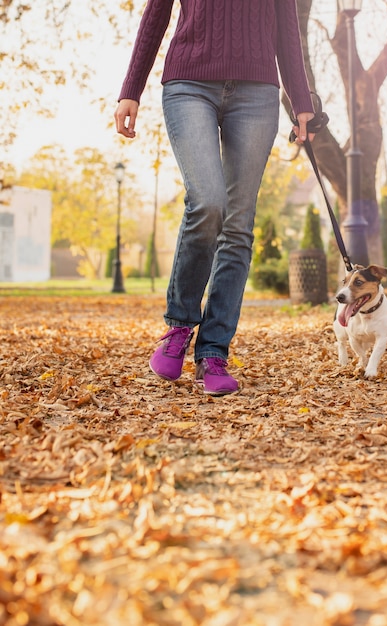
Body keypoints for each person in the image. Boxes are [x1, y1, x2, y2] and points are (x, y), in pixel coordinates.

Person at [114, 0, 315, 396]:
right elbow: (156, 14)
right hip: (189, 84)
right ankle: (180, 325)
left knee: (238, 224)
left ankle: (213, 352)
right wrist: (130, 91)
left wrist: (301, 101)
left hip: (257, 93)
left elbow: (287, 27)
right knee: (208, 201)